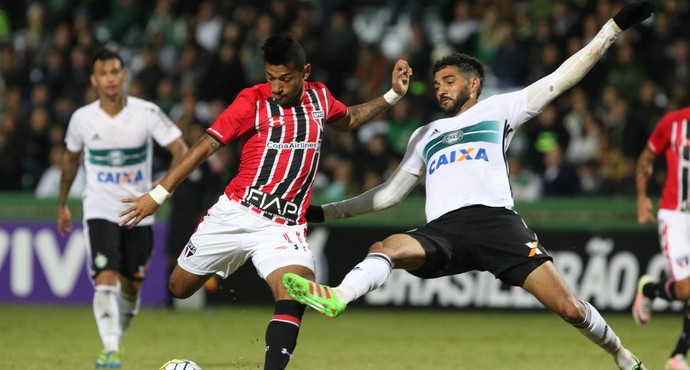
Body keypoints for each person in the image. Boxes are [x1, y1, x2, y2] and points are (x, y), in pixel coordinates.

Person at [282, 2, 654, 369]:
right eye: (437, 84)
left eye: (449, 81)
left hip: (498, 224)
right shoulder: (425, 135)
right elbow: (388, 194)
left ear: (473, 84)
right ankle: (338, 297)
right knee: (386, 247)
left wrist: (613, 28)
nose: (440, 90)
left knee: (570, 308)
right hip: (445, 231)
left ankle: (623, 357)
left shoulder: (500, 110)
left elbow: (564, 76)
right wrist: (322, 212)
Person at [118, 34, 412, 370]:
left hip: (282, 227)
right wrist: (158, 193)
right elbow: (204, 146)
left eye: (285, 79)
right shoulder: (251, 101)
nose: (276, 87)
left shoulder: (320, 98)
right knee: (178, 287)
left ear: (305, 72)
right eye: (270, 78)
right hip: (235, 212)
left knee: (295, 294)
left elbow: (350, 119)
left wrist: (393, 95)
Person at [56, 48, 188, 368]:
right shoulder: (82, 119)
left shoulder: (146, 112)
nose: (111, 78)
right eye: (104, 73)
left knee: (131, 285)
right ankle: (111, 351)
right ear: (94, 80)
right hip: (99, 208)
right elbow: (71, 160)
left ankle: (114, 337)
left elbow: (182, 151)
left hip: (137, 211)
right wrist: (62, 202)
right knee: (105, 275)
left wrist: (160, 189)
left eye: (115, 72)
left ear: (124, 75)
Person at [634, 104, 690, 370]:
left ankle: (677, 356)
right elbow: (646, 158)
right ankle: (649, 289)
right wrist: (642, 197)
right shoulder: (673, 122)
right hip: (675, 216)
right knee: (685, 290)